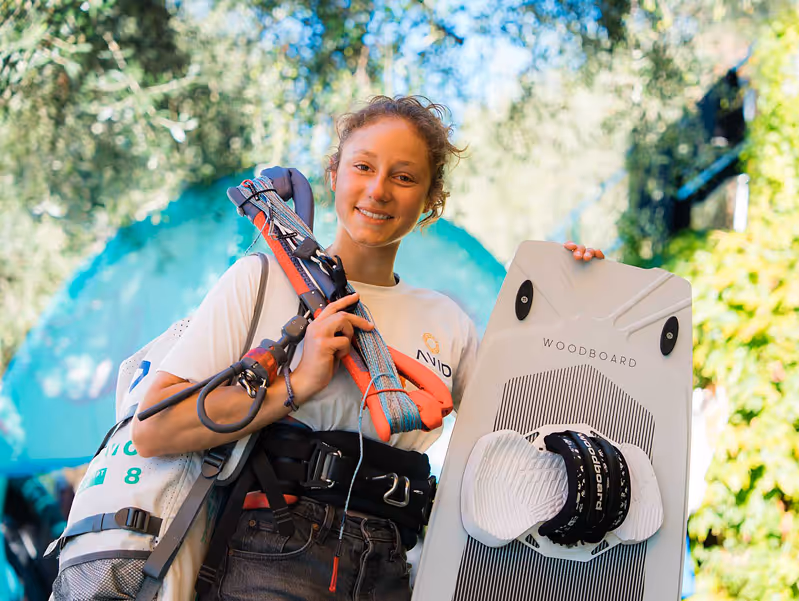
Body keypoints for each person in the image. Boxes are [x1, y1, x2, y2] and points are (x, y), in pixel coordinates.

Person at [132, 95, 603, 601]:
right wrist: (297, 384)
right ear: (334, 174)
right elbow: (154, 428)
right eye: (363, 167)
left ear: (430, 199)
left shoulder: (446, 321)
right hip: (270, 551)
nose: (378, 191)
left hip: (390, 566)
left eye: (404, 177)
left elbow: (528, 428)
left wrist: (571, 297)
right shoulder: (262, 280)